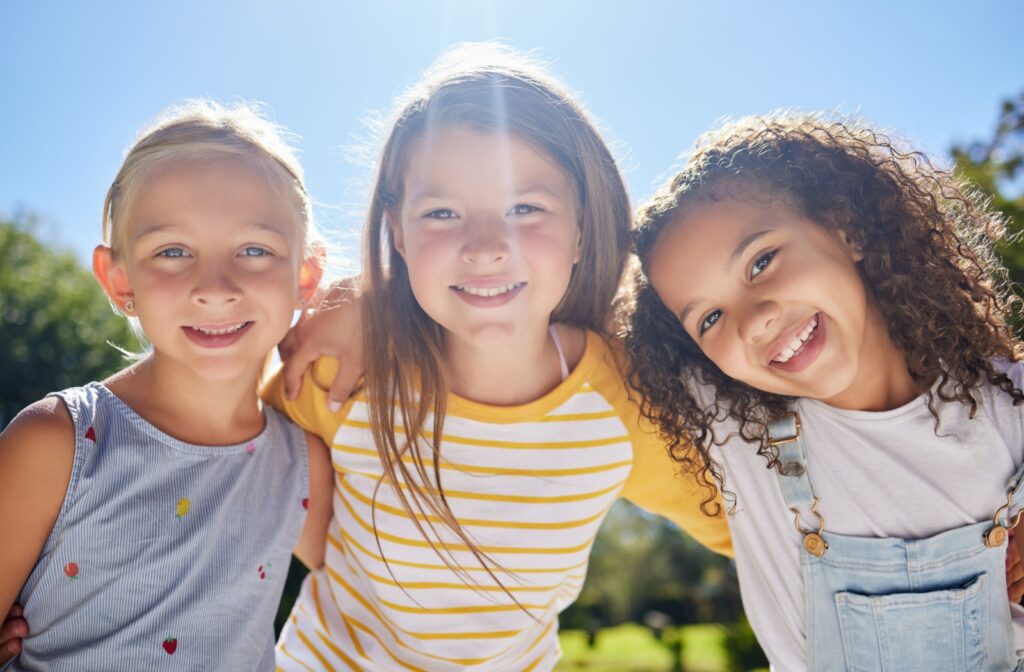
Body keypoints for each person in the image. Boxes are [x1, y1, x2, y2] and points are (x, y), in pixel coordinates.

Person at [265, 45, 732, 671]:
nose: (485, 247)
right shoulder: (342, 369)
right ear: (397, 233)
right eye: (441, 213)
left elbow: (755, 530)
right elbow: (239, 459)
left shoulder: (624, 401)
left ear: (582, 230)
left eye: (525, 208)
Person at [624, 112, 1024, 671]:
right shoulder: (734, 431)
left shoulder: (1013, 409)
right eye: (710, 318)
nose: (753, 322)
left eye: (761, 261)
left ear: (846, 229)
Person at [0, 101, 333, 671]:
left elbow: (388, 585)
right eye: (172, 251)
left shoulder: (302, 463)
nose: (215, 287)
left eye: (254, 250)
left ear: (305, 278)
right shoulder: (57, 443)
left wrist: (364, 311)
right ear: (118, 280)